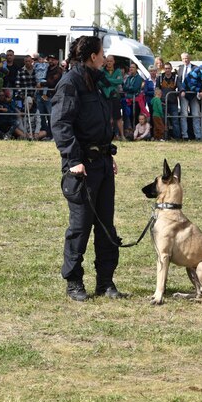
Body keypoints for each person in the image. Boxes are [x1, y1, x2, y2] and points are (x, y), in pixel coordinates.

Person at [51, 35, 122, 302]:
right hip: (82, 167)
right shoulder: (71, 82)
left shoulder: (98, 82)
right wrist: (72, 161)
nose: (105, 58)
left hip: (102, 162)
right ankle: (74, 282)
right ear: (93, 55)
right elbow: (61, 123)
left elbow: (100, 122)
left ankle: (105, 282)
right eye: (102, 53)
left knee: (106, 227)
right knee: (80, 227)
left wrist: (106, 152)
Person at [100, 55, 124, 141]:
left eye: (111, 61)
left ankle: (122, 136)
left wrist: (107, 80)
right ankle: (109, 136)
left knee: (118, 117)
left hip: (114, 96)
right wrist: (113, 80)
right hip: (105, 96)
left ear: (114, 62)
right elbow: (100, 83)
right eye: (108, 61)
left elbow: (120, 81)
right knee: (107, 117)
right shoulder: (102, 71)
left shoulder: (117, 71)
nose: (109, 63)